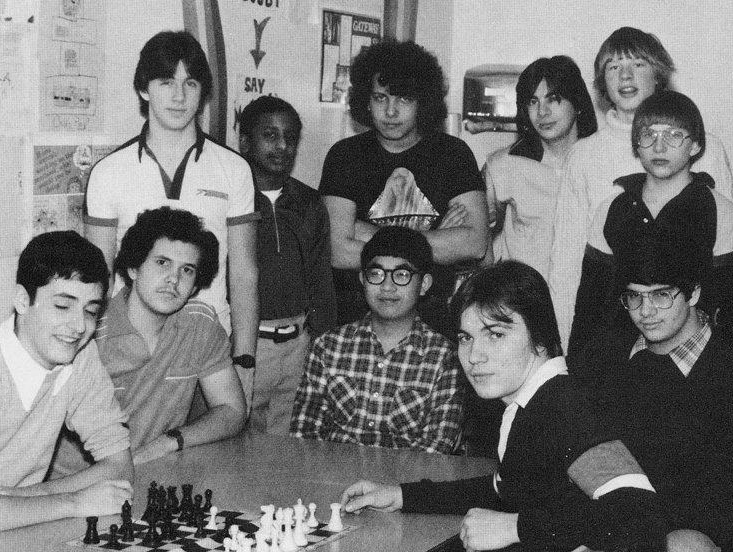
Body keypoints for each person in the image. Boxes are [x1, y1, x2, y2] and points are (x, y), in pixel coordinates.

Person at [340, 261, 675, 552]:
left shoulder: (563, 407)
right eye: (466, 338)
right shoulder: (531, 402)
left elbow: (640, 515)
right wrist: (401, 495)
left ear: (540, 338)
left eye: (495, 335)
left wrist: (513, 527)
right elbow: (505, 489)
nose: (474, 356)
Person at [83, 30, 260, 402]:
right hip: (127, 353)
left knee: (210, 456)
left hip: (209, 354)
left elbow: (244, 273)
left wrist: (245, 359)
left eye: (190, 83)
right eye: (166, 82)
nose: (179, 97)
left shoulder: (234, 169)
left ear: (202, 92)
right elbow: (95, 274)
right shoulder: (108, 172)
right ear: (144, 90)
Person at [549, 27, 733, 346]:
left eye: (637, 64)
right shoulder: (584, 155)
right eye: (613, 67)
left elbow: (727, 263)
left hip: (692, 332)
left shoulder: (706, 147)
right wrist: (569, 351)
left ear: (658, 75)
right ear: (602, 83)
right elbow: (566, 265)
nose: (625, 76)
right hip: (612, 333)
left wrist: (722, 351)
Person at [572, 243, 733, 552]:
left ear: (694, 293)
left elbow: (719, 519)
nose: (645, 312)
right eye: (634, 296)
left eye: (661, 295)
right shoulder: (606, 353)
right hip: (592, 521)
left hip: (665, 536)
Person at [53, 207, 247, 471]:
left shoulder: (200, 324)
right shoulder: (90, 329)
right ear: (134, 268)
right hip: (77, 482)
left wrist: (171, 441)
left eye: (187, 270)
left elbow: (232, 410)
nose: (173, 280)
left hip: (151, 470)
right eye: (162, 263)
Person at [319, 39, 487, 336]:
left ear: (423, 102)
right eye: (380, 98)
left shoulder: (453, 154)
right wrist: (435, 239)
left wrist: (366, 233)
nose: (391, 112)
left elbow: (474, 243)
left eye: (404, 100)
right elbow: (338, 251)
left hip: (436, 322)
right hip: (358, 323)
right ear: (365, 101)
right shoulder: (344, 156)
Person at [569, 91, 733, 360]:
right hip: (625, 367)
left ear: (695, 146)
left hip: (695, 366)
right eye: (648, 135)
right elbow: (590, 307)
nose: (659, 147)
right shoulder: (613, 209)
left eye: (673, 135)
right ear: (636, 145)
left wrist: (718, 379)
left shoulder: (719, 210)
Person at [0, 231, 133, 533]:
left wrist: (21, 499)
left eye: (91, 310)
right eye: (63, 306)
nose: (79, 327)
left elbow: (119, 468)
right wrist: (74, 503)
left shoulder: (79, 354)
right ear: (23, 300)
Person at [290, 226, 463, 454]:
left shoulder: (443, 357)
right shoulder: (328, 347)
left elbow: (437, 446)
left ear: (424, 284)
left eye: (402, 275)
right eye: (376, 274)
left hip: (404, 484)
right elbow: (304, 434)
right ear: (363, 279)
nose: (387, 286)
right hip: (333, 478)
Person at [235, 96, 336, 435]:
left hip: (298, 347)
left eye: (290, 137)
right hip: (247, 347)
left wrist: (324, 346)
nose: (282, 145)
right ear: (246, 142)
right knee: (237, 446)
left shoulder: (309, 202)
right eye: (270, 135)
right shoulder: (232, 199)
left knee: (289, 447)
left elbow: (322, 282)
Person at [485, 55, 597, 279]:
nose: (542, 112)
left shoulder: (600, 163)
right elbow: (478, 240)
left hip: (584, 300)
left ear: (577, 104)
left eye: (553, 99)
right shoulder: (504, 165)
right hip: (523, 301)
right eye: (533, 102)